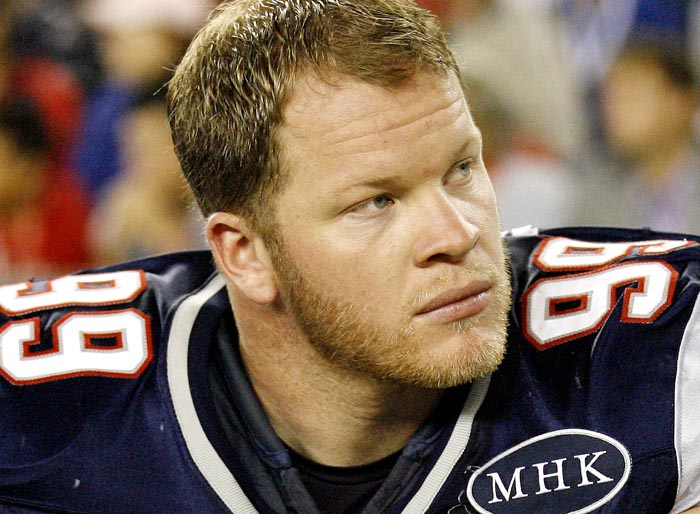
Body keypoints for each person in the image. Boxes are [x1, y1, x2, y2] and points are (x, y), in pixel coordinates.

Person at [0, 1, 698, 513]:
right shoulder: (43, 398)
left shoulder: (658, 343)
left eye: (460, 167)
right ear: (244, 253)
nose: (456, 234)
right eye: (376, 202)